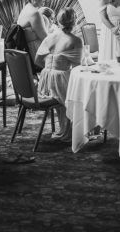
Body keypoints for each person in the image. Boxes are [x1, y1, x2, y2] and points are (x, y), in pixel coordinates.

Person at [34, 7, 83, 142]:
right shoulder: (76, 40)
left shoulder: (50, 37)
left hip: (45, 82)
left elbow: (37, 61)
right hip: (60, 80)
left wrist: (51, 69)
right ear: (75, 21)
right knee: (83, 90)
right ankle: (74, 129)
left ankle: (65, 128)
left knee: (69, 87)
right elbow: (77, 68)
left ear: (58, 21)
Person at [17, 0, 48, 64]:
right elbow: (46, 39)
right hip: (36, 55)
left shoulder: (26, 9)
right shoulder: (34, 13)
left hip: (28, 53)